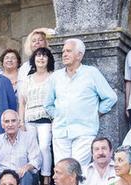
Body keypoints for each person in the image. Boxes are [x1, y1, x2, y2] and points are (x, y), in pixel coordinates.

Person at [45, 38, 117, 169]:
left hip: (84, 131)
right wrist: (59, 115)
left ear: (79, 55)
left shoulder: (91, 73)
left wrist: (96, 113)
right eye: (63, 52)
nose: (64, 54)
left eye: (68, 51)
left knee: (78, 170)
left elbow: (110, 97)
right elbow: (47, 104)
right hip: (61, 132)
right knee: (61, 170)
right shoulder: (56, 77)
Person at [18, 46, 55, 185]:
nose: (41, 58)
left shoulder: (53, 77)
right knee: (31, 150)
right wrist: (21, 121)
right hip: (29, 119)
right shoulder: (27, 79)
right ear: (34, 59)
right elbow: (22, 102)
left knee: (44, 147)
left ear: (48, 59)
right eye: (38, 55)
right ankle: (35, 181)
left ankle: (46, 180)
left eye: (44, 56)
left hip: (46, 118)